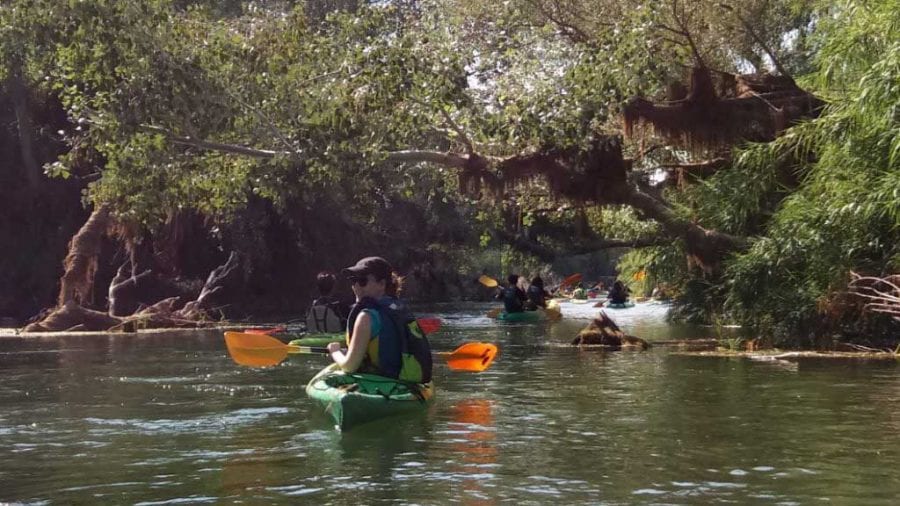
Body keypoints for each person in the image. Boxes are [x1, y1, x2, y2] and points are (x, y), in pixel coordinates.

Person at [326, 257, 432, 383]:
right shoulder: (398, 308)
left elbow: (349, 367)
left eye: (362, 281)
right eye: (353, 280)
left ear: (382, 284)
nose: (356, 286)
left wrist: (335, 352)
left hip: (382, 384)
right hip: (405, 382)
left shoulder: (365, 317)